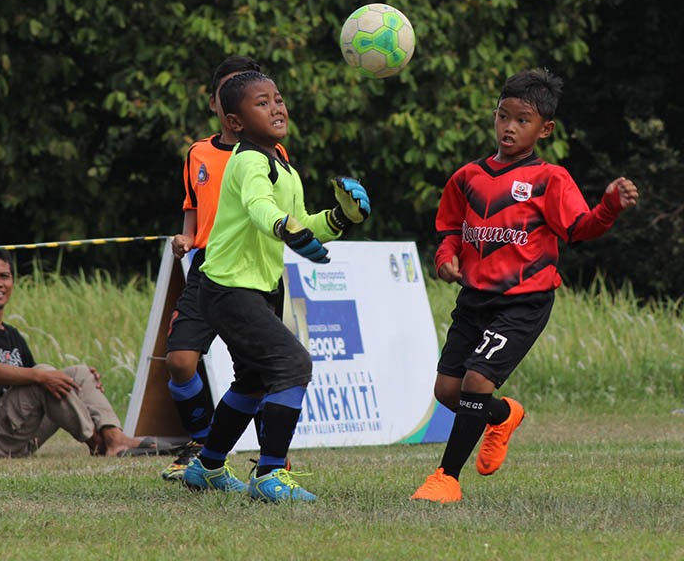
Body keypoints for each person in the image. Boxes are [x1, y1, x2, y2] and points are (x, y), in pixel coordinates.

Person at [411, 68, 639, 503]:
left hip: (523, 302)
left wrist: (608, 206)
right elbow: (449, 230)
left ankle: (446, 478)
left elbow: (579, 228)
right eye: (503, 116)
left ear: (545, 129)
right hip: (474, 299)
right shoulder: (467, 178)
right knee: (447, 391)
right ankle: (502, 415)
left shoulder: (549, 179)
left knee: (477, 378)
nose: (509, 127)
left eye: (522, 120)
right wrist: (445, 258)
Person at [181, 69, 371, 503]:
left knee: (252, 381)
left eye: (278, 98)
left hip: (255, 288)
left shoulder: (284, 165)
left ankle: (206, 468)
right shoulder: (248, 159)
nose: (276, 107)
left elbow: (303, 223)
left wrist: (341, 219)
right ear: (235, 122)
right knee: (294, 365)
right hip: (229, 287)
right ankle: (269, 474)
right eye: (261, 102)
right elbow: (259, 206)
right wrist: (286, 227)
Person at [162, 55, 290, 481]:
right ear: (220, 104)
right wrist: (186, 238)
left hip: (254, 274)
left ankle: (271, 459)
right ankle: (203, 446)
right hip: (208, 269)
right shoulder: (198, 152)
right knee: (181, 361)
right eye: (246, 94)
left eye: (270, 98)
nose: (267, 107)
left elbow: (278, 210)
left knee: (256, 371)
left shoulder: (272, 152)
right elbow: (193, 208)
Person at [0, 250, 157, 457]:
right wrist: (43, 376)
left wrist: (80, 387)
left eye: (5, 276)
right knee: (44, 375)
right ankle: (98, 442)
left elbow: (37, 388)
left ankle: (114, 436)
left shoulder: (12, 334)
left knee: (80, 373)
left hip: (20, 435)